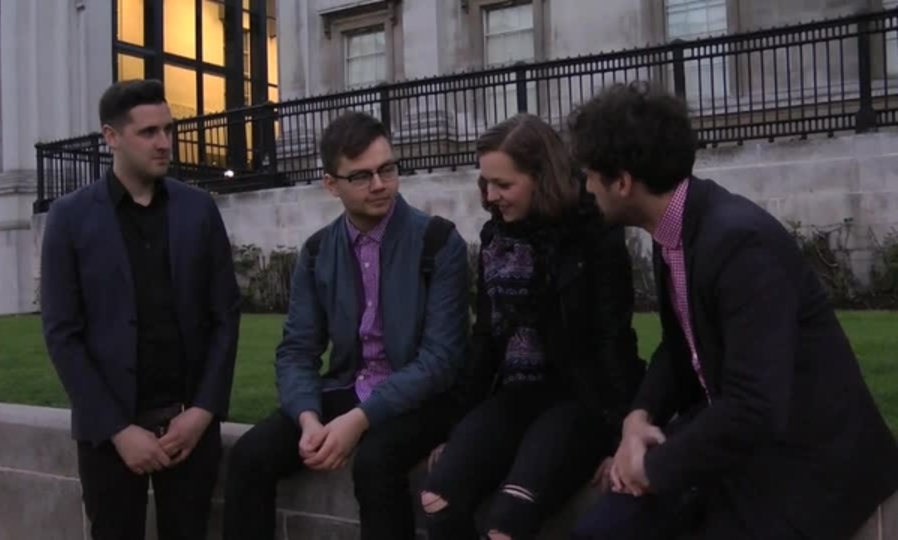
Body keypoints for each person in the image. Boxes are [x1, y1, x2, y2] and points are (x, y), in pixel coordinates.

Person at [567, 81, 898, 540]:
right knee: (600, 531)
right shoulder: (677, 229)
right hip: (728, 443)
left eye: (588, 175)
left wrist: (651, 468)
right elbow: (681, 348)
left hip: (805, 462)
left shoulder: (739, 243)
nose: (585, 187)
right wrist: (639, 417)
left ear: (622, 183)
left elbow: (756, 406)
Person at [222, 110, 470, 540]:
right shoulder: (318, 251)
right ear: (331, 184)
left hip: (423, 398)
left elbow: (440, 360)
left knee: (376, 462)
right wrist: (307, 418)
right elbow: (297, 350)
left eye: (387, 169)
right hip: (349, 386)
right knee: (249, 456)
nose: (379, 184)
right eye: (361, 176)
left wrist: (359, 420)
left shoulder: (438, 241)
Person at [419, 113, 646, 540]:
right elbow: (485, 337)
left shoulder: (593, 233)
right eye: (485, 183)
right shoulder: (496, 237)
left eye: (503, 185)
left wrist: (623, 434)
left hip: (579, 398)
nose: (491, 196)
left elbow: (613, 337)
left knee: (506, 523)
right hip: (514, 394)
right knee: (438, 498)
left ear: (542, 179)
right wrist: (459, 428)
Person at [39, 79, 242, 540]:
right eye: (148, 132)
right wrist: (117, 430)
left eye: (168, 129)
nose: (164, 142)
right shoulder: (70, 217)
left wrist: (203, 411)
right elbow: (62, 334)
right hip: (110, 436)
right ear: (111, 137)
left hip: (190, 429)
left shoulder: (199, 209)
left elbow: (225, 317)